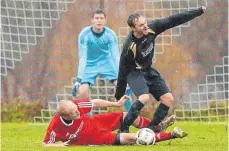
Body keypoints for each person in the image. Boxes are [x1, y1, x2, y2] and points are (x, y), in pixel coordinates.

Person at [114, 6, 207, 132]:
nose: (145, 26)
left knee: (168, 99)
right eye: (141, 25)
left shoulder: (152, 28)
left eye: (145, 22)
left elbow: (173, 20)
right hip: (134, 73)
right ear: (133, 28)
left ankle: (151, 129)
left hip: (148, 70)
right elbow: (122, 70)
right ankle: (124, 128)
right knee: (144, 97)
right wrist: (119, 93)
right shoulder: (129, 47)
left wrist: (198, 11)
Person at [42, 95, 187, 147]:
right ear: (65, 116)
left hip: (98, 122)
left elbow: (95, 103)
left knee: (128, 116)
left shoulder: (77, 105)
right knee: (132, 138)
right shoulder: (55, 126)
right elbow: (45, 144)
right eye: (74, 113)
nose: (77, 112)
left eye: (76, 109)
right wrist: (58, 147)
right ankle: (172, 135)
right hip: (97, 138)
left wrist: (115, 104)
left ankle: (157, 127)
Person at [72, 9, 132, 112]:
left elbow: (116, 56)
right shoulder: (84, 34)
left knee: (122, 88)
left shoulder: (110, 35)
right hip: (89, 64)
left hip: (107, 63)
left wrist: (123, 77)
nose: (99, 21)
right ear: (92, 20)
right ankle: (88, 120)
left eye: (101, 18)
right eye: (96, 18)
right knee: (82, 92)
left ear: (105, 20)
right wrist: (78, 79)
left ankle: (132, 117)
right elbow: (82, 57)